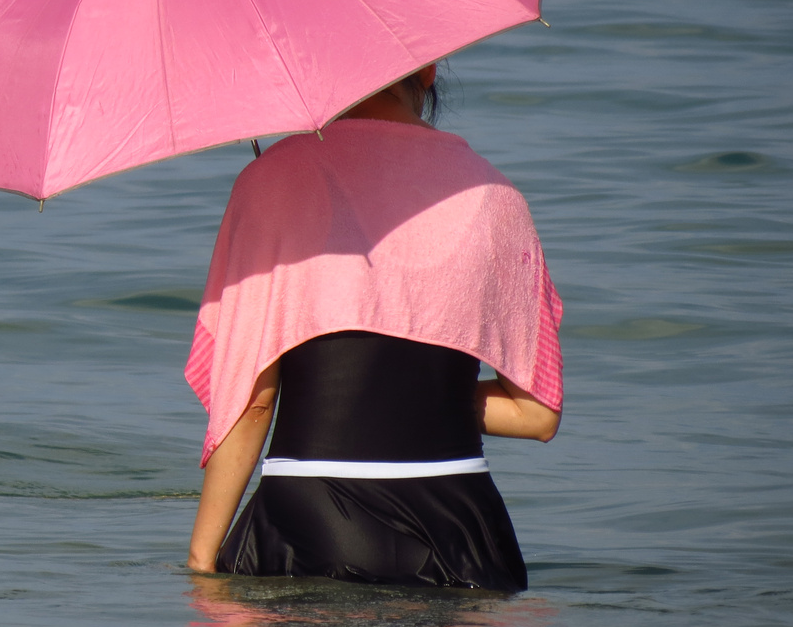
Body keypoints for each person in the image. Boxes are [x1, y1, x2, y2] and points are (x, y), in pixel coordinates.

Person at [183, 65, 563, 592]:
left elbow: (252, 404)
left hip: (306, 522)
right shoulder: (495, 196)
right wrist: (422, 399)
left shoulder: (270, 180)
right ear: (428, 72)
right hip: (461, 534)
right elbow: (536, 414)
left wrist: (203, 560)